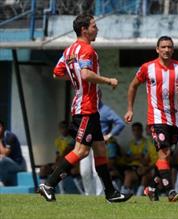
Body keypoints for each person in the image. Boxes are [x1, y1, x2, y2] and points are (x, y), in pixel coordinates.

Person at [39, 14, 132, 203]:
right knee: (81, 151)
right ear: (84, 30)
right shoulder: (87, 50)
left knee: (100, 149)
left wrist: (76, 79)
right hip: (86, 107)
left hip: (86, 107)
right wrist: (108, 80)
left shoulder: (69, 51)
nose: (96, 29)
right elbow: (86, 74)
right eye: (94, 26)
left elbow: (58, 73)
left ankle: (110, 193)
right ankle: (48, 184)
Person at [124, 35, 178, 202]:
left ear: (173, 49)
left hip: (174, 118)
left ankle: (151, 189)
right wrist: (129, 109)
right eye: (163, 47)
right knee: (163, 154)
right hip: (156, 117)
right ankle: (170, 192)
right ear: (157, 49)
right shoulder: (147, 68)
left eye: (169, 47)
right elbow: (133, 85)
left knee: (167, 156)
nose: (166, 50)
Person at [80, 99, 126, 196]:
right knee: (84, 171)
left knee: (97, 171)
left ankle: (99, 195)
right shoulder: (85, 108)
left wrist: (109, 135)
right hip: (85, 143)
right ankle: (89, 195)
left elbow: (120, 123)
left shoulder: (105, 110)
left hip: (99, 144)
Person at [121, 122, 150, 195]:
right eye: (134, 130)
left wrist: (134, 157)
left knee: (128, 175)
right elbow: (127, 158)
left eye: (138, 130)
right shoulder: (132, 143)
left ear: (141, 131)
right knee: (127, 172)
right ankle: (126, 192)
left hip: (142, 167)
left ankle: (124, 194)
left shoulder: (146, 143)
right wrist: (137, 156)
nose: (136, 132)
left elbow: (144, 159)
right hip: (131, 167)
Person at [0, 120, 26, 186]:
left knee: (2, 159)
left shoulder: (10, 136)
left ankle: (1, 181)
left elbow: (5, 153)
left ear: (2, 127)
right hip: (9, 164)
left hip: (19, 164)